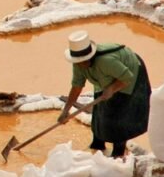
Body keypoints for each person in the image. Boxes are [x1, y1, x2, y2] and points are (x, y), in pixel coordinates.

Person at [57, 30, 151, 158]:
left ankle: (118, 153)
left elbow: (127, 77)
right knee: (100, 110)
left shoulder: (106, 62)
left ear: (91, 56)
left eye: (84, 61)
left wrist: (112, 89)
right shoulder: (78, 64)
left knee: (119, 115)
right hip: (106, 77)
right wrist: (66, 110)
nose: (81, 65)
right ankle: (98, 144)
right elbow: (76, 87)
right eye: (79, 62)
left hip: (129, 73)